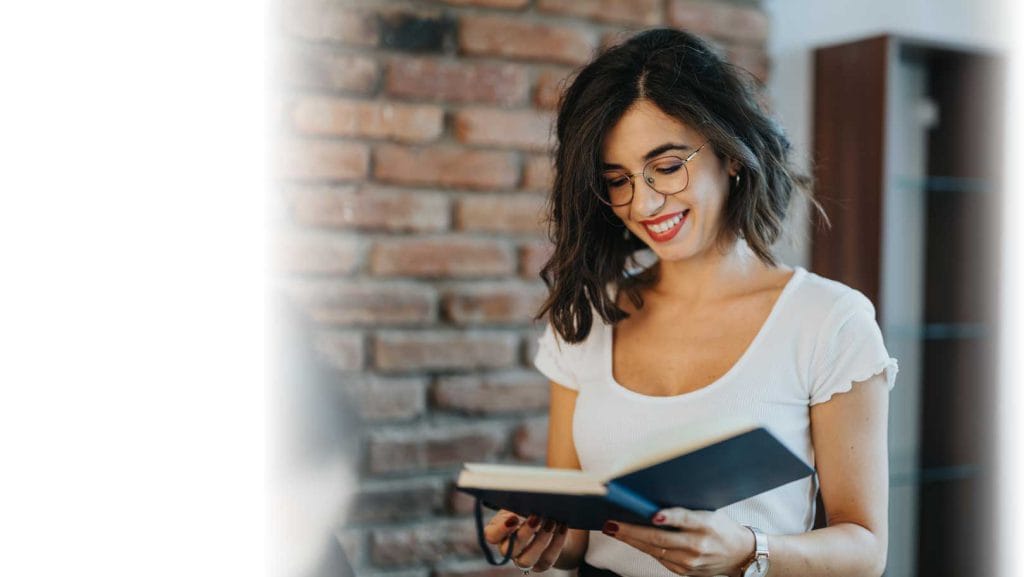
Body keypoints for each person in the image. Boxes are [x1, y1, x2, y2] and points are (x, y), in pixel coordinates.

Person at [481, 28, 898, 577]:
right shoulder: (588, 318)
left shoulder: (828, 322)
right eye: (618, 180)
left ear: (729, 153)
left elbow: (865, 550)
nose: (645, 202)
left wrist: (750, 551)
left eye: (668, 166)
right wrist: (539, 534)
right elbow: (581, 536)